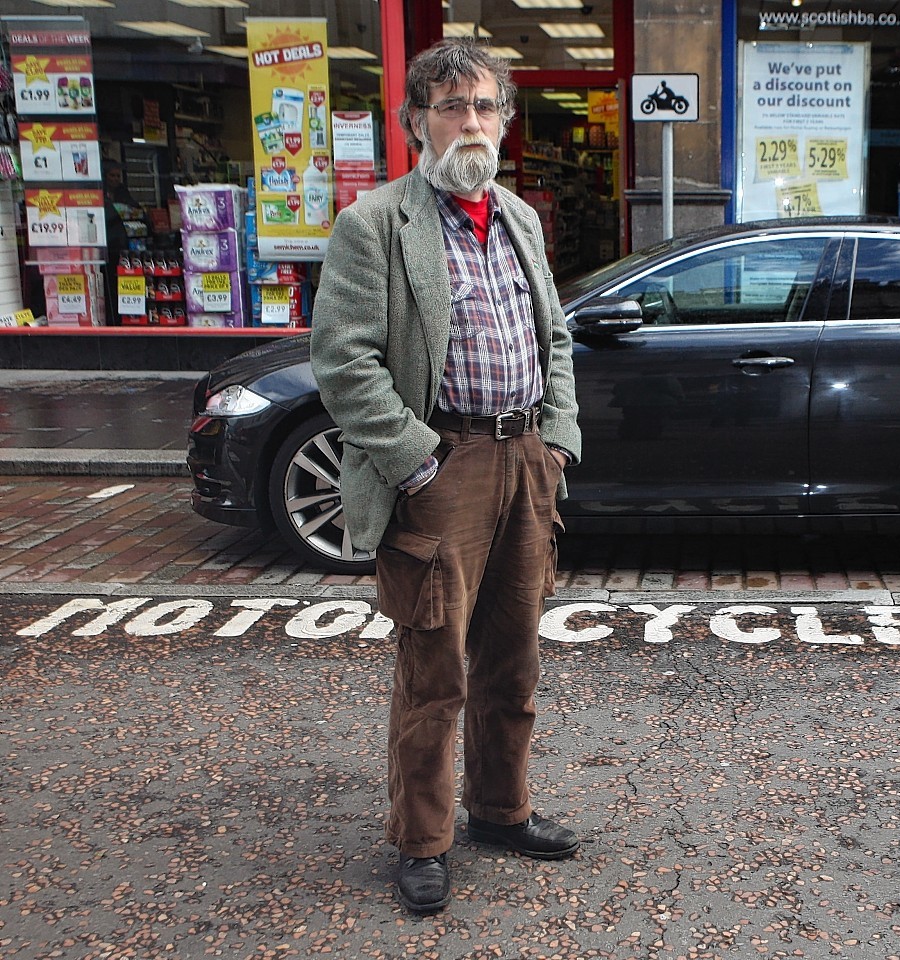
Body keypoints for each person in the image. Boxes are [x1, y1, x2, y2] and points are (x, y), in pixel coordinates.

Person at [309, 38, 582, 915]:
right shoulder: (374, 222)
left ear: (504, 119)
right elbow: (345, 362)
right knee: (434, 668)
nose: (472, 122)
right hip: (443, 464)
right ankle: (421, 840)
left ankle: (501, 811)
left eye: (486, 106)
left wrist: (557, 440)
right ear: (416, 121)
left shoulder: (520, 218)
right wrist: (415, 459)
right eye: (453, 106)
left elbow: (558, 340)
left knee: (516, 658)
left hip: (524, 461)